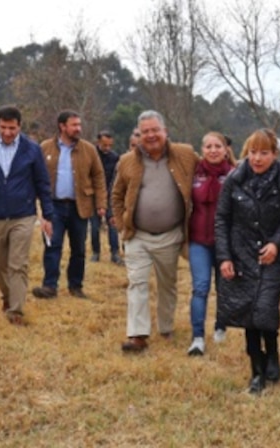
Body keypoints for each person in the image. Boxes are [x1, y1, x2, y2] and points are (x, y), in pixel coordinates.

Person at [215, 128, 280, 394]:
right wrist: (225, 257)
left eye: (264, 153)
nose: (257, 158)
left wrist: (276, 242)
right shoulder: (234, 180)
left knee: (264, 310)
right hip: (241, 256)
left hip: (271, 258)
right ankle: (257, 369)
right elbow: (222, 219)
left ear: (275, 154)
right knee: (247, 314)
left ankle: (272, 352)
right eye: (253, 152)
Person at [111, 110, 198, 353]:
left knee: (167, 284)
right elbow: (116, 195)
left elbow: (212, 169)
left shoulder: (186, 154)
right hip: (137, 236)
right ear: (138, 136)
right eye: (144, 132)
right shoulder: (127, 161)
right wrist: (121, 223)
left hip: (171, 235)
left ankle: (166, 327)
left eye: (154, 130)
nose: (150, 136)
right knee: (136, 283)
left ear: (165, 132)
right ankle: (138, 335)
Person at [0, 105, 55, 326]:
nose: (8, 132)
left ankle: (16, 310)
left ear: (19, 126)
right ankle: (7, 296)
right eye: (4, 127)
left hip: (23, 216)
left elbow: (42, 183)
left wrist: (47, 214)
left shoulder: (31, 149)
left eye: (12, 128)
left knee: (18, 264)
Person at [32, 110, 108, 300]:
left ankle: (76, 286)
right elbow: (36, 176)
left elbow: (99, 177)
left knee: (79, 249)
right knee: (52, 245)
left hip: (80, 207)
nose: (78, 129)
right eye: (74, 125)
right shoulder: (45, 148)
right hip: (53, 207)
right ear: (62, 126)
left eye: (79, 125)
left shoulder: (89, 150)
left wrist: (101, 203)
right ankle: (49, 286)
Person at [186, 132, 236, 356]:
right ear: (202, 149)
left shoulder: (235, 175)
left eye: (218, 146)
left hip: (226, 242)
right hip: (199, 240)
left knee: (224, 287)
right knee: (201, 287)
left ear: (226, 149)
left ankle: (221, 325)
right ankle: (197, 337)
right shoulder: (193, 173)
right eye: (208, 146)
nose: (213, 150)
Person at [90, 129, 121, 265]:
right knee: (95, 226)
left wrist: (109, 196)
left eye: (110, 145)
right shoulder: (91, 155)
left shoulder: (115, 158)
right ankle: (96, 253)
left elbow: (115, 178)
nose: (107, 148)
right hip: (93, 196)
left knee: (113, 225)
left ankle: (115, 253)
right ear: (98, 142)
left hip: (110, 195)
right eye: (104, 145)